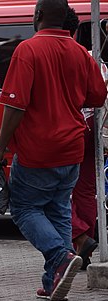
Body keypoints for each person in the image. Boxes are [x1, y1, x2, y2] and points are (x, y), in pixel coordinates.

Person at [0, 0, 107, 301]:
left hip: (37, 150)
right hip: (72, 149)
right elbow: (97, 95)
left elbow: (14, 105)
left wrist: (0, 149)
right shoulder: (81, 53)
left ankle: (61, 257)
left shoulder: (27, 51)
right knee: (58, 212)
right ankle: (52, 282)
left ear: (38, 16)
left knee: (25, 209)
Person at [63, 7, 103, 268]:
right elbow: (99, 94)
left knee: (51, 192)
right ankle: (84, 249)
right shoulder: (93, 59)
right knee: (86, 190)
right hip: (91, 126)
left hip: (65, 126)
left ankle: (79, 236)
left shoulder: (56, 54)